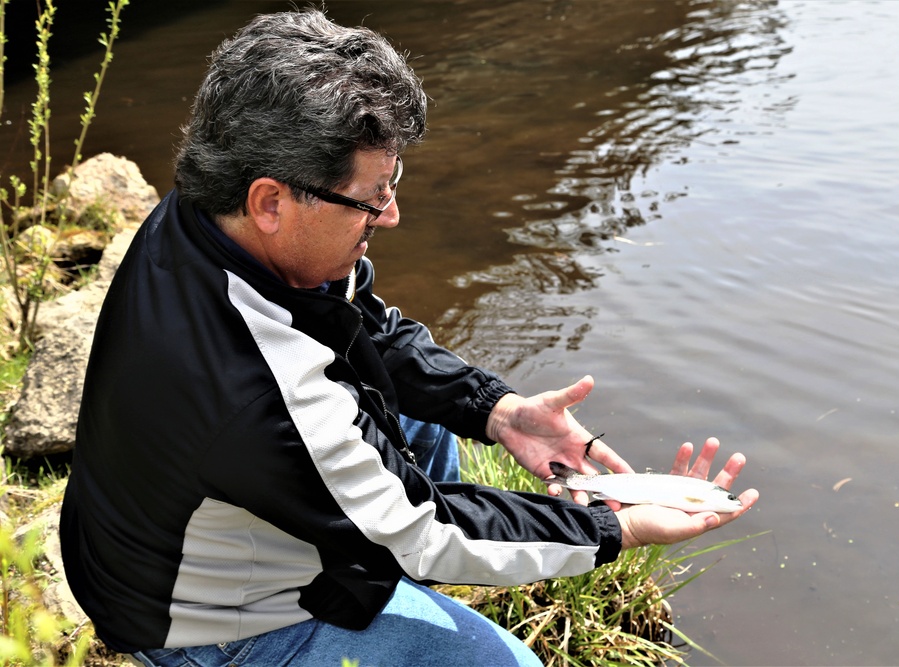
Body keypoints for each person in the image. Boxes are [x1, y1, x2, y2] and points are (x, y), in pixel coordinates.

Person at [59, 9, 759, 667]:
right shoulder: (257, 388)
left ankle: (411, 583)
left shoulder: (211, 209)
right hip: (206, 621)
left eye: (393, 183)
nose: (391, 216)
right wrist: (615, 526)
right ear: (271, 201)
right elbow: (424, 530)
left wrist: (499, 409)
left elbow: (363, 326)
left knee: (423, 427)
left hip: (157, 527)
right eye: (371, 196)